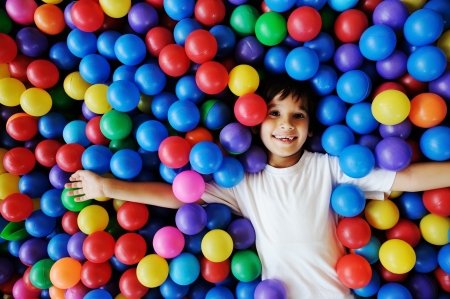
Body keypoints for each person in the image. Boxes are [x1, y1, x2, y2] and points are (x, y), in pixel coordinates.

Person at [66, 74, 450, 298]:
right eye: (275, 114)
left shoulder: (331, 168)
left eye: (298, 116)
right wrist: (109, 187)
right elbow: (178, 195)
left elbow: (409, 178)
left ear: (311, 129)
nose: (287, 125)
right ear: (254, 122)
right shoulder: (243, 182)